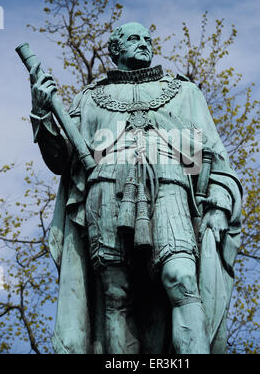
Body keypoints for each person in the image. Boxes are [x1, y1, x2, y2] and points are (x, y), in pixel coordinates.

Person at [29, 22, 242, 354]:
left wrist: (219, 199)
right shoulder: (90, 98)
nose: (143, 43)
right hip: (104, 189)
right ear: (115, 50)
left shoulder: (184, 92)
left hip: (170, 186)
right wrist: (42, 113)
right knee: (115, 294)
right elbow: (63, 161)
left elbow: (212, 154)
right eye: (133, 38)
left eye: (147, 39)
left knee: (182, 278)